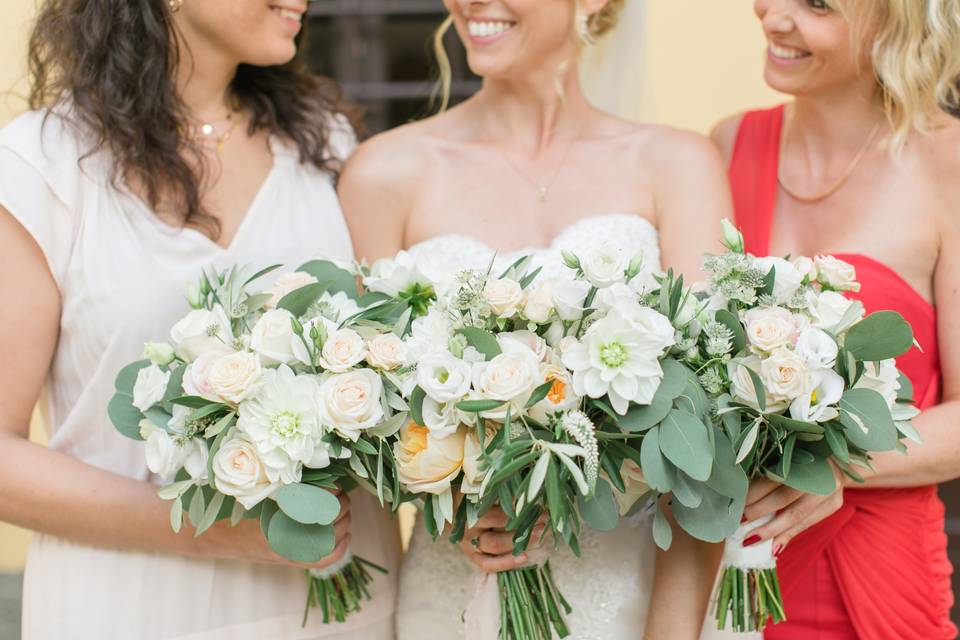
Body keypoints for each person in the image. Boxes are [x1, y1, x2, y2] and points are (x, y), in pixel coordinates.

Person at [0, 1, 399, 638]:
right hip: (131, 607)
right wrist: (208, 531)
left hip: (338, 609)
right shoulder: (42, 166)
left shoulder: (325, 143)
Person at [339, 0, 732, 637]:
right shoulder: (384, 173)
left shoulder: (677, 165)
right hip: (455, 600)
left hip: (632, 592)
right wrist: (448, 508)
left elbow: (708, 430)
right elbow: (364, 418)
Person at [711, 0, 960, 637]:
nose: (773, 18)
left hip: (878, 582)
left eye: (816, 5)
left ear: (894, 20)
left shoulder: (948, 165)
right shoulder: (726, 145)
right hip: (734, 570)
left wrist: (832, 463)